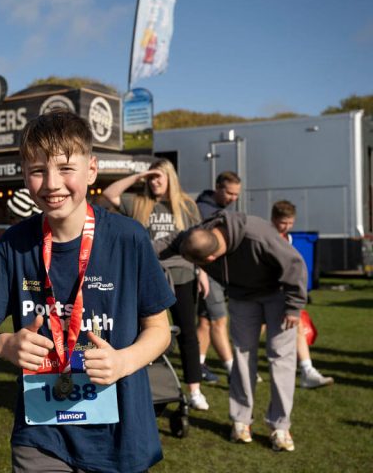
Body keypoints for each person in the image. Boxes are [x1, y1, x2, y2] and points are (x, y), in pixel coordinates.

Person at [0, 110, 175, 473]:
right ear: (24, 175)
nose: (52, 184)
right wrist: (3, 345)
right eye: (38, 170)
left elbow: (159, 330)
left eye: (65, 168)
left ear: (91, 170)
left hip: (120, 435)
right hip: (42, 436)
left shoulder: (128, 238)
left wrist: (124, 361)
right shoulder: (14, 244)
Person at [161, 211, 306, 451]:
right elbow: (170, 242)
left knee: (281, 358)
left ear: (210, 258)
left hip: (278, 295)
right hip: (242, 297)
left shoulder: (257, 235)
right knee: (242, 355)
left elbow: (295, 264)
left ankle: (280, 426)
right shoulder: (198, 234)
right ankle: (241, 421)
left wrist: (294, 306)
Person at [102, 158, 210, 411]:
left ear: (171, 177)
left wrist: (202, 271)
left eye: (159, 176)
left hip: (182, 274)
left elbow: (199, 240)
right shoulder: (140, 203)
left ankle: (194, 389)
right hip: (147, 275)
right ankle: (143, 387)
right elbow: (109, 194)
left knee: (187, 332)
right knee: (144, 332)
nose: (154, 182)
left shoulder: (186, 205)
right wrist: (139, 176)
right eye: (151, 178)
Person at [271, 200, 333, 389]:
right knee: (257, 331)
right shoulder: (266, 236)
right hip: (265, 293)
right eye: (283, 222)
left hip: (283, 292)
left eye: (290, 223)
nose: (287, 227)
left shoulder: (288, 238)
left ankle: (307, 370)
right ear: (274, 219)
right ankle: (243, 367)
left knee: (296, 327)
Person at [195, 171, 241, 383]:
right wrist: (201, 271)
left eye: (236, 194)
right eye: (230, 193)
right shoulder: (202, 210)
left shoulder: (219, 210)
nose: (234, 198)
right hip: (207, 274)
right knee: (219, 320)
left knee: (205, 321)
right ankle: (233, 370)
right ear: (218, 188)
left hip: (216, 274)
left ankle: (198, 365)